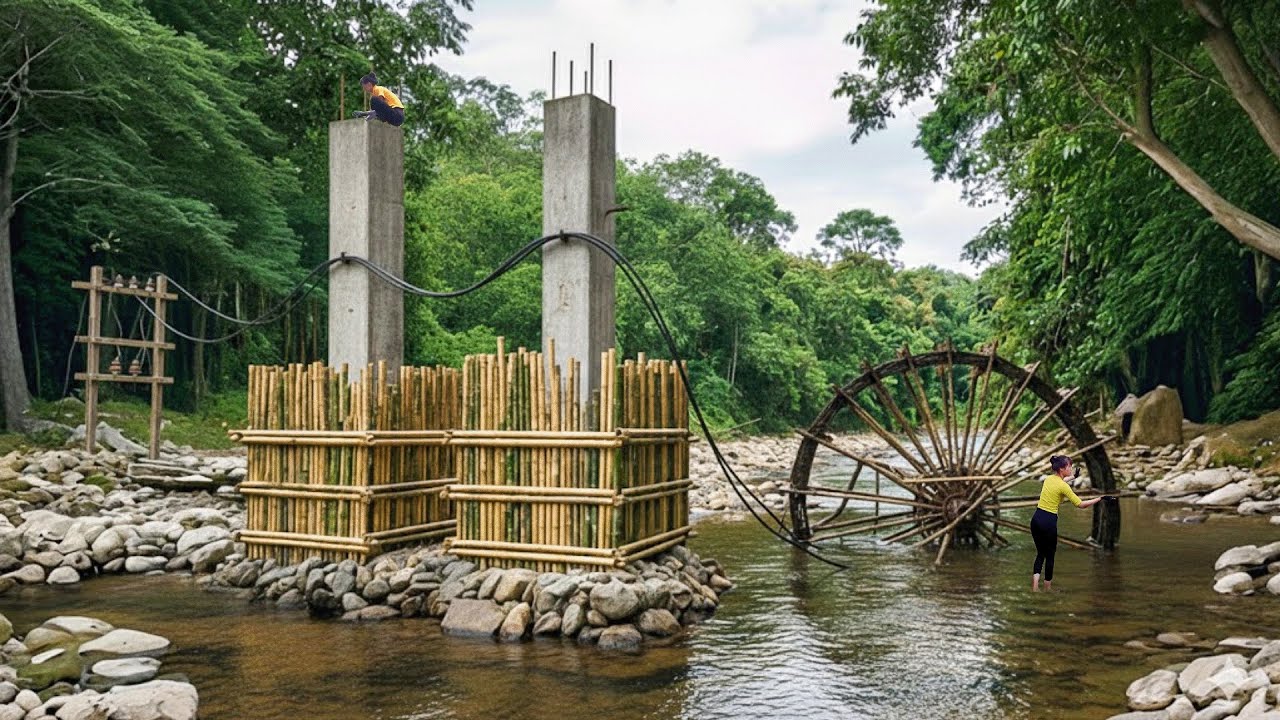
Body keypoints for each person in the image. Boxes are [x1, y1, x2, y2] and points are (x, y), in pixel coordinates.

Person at [1030, 455, 1104, 592]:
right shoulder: (1064, 486)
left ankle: (1035, 588)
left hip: (1036, 519)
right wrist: (1099, 498)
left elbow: (1061, 482)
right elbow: (1080, 504)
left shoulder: (1048, 479)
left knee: (1041, 553)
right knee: (1050, 555)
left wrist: (1074, 477)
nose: (1071, 468)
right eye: (1069, 466)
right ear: (1062, 468)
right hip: (1048, 521)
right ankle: (1048, 588)